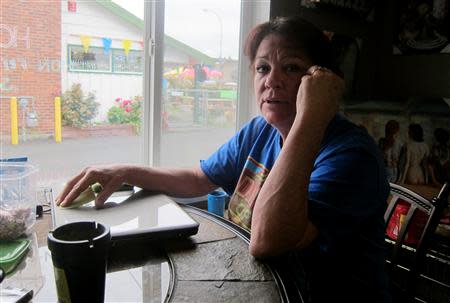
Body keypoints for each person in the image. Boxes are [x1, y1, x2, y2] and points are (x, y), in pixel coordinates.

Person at [56, 16, 390, 302]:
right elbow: (197, 179)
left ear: (320, 82)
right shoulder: (260, 130)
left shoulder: (351, 156)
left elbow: (267, 242)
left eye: (291, 68)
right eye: (262, 68)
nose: (271, 80)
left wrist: (310, 118)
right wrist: (126, 170)